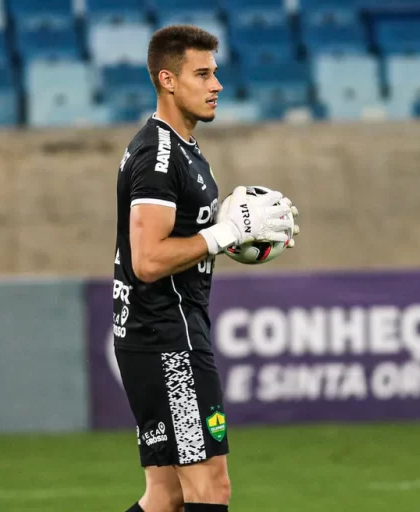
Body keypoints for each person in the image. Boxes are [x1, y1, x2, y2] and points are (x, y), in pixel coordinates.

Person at [112, 24, 299, 512]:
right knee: (211, 491)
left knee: (165, 495)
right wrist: (223, 235)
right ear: (168, 80)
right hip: (168, 341)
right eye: (202, 73)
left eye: (215, 73)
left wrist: (241, 236)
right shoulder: (159, 154)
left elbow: (182, 242)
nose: (216, 84)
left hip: (156, 334)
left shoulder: (187, 152)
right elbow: (148, 260)